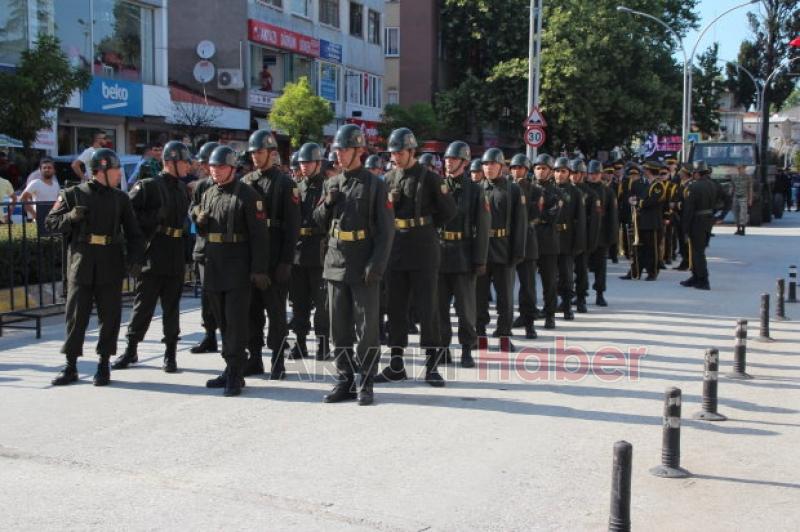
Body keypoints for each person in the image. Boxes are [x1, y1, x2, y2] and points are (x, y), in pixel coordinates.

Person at [46, 148, 144, 387]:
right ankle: (70, 366)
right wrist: (70, 217)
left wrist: (135, 260)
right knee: (76, 317)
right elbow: (49, 223)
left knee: (109, 317)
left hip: (110, 262)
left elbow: (134, 233)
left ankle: (103, 364)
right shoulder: (72, 194)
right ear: (100, 170)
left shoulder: (120, 198)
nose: (119, 173)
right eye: (115, 169)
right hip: (82, 262)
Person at [313, 124, 395, 405]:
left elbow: (386, 232)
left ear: (359, 151)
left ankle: (367, 380)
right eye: (336, 149)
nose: (338, 154)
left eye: (344, 149)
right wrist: (326, 205)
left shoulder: (376, 185)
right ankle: (344, 379)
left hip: (363, 265)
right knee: (340, 328)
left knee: (367, 328)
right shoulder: (331, 183)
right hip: (336, 263)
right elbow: (318, 223)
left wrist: (377, 265)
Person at [376, 127, 456, 385]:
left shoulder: (430, 178)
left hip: (423, 248)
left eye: (400, 152)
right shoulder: (387, 179)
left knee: (427, 308)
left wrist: (426, 226)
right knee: (396, 309)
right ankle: (396, 363)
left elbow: (449, 211)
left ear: (412, 151)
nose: (395, 157)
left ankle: (432, 364)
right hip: (396, 249)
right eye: (393, 153)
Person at [191, 145, 270, 396]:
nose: (215, 171)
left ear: (233, 168)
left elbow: (259, 236)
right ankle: (229, 366)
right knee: (222, 321)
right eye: (213, 167)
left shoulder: (248, 195)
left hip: (237, 265)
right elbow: (203, 232)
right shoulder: (209, 193)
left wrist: (259, 269)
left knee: (236, 321)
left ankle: (236, 373)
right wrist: (199, 222)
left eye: (221, 167)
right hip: (213, 264)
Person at [112, 141, 193, 373]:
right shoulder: (148, 186)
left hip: (175, 253)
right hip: (153, 253)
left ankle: (170, 354)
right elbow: (128, 218)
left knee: (171, 307)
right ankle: (131, 349)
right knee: (143, 305)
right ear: (169, 162)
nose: (188, 166)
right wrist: (154, 218)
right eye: (184, 162)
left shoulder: (180, 188)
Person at [241, 130, 301, 379]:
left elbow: (293, 225)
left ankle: (278, 361)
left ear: (271, 153)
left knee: (275, 313)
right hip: (252, 258)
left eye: (260, 152)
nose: (256, 157)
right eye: (253, 152)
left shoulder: (286, 184)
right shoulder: (245, 182)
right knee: (251, 312)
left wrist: (287, 261)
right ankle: (254, 359)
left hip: (276, 256)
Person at [437, 141, 490, 367]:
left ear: (465, 162)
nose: (448, 162)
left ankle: (467, 348)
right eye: (447, 158)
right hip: (439, 254)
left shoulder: (475, 190)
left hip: (463, 254)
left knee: (465, 308)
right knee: (438, 307)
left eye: (453, 158)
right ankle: (442, 348)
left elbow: (483, 226)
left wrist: (480, 259)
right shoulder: (437, 186)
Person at [475, 148, 526, 352]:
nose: (488, 168)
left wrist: (517, 251)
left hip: (504, 248)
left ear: (501, 166)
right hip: (481, 249)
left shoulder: (513, 190)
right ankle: (480, 335)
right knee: (479, 296)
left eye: (492, 164)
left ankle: (504, 335)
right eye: (485, 165)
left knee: (505, 297)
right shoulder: (477, 188)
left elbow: (520, 224)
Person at [289, 142, 330, 361]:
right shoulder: (296, 187)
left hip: (319, 251)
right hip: (298, 252)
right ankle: (300, 342)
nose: (303, 166)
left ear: (318, 163)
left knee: (322, 304)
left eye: (308, 162)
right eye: (302, 163)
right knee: (299, 303)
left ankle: (323, 344)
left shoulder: (328, 186)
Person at [188, 141, 221, 354]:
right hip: (204, 247)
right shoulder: (201, 186)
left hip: (227, 251)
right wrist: (196, 214)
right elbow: (192, 208)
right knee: (207, 295)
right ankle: (209, 335)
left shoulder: (234, 185)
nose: (202, 167)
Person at [509, 153, 541, 338]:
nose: (516, 171)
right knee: (506, 288)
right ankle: (506, 323)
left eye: (520, 168)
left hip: (528, 243)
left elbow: (536, 215)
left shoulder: (535, 191)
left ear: (526, 170)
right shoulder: (506, 188)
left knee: (528, 287)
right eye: (513, 168)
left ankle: (529, 322)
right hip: (508, 242)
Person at [532, 154, 562, 330]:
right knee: (527, 281)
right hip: (529, 239)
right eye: (537, 168)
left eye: (544, 168)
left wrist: (534, 216)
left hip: (548, 241)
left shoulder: (556, 192)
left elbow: (552, 215)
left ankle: (550, 314)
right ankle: (527, 313)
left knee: (549, 281)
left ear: (550, 171)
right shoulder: (527, 189)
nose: (540, 171)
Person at [554, 157, 586, 320]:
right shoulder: (547, 189)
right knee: (550, 276)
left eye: (563, 171)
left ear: (569, 173)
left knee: (566, 276)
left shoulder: (575, 193)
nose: (559, 174)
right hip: (549, 239)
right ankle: (550, 306)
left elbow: (580, 221)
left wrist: (578, 243)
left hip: (567, 239)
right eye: (557, 171)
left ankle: (567, 306)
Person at [680, 160, 719, 290]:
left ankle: (703, 279)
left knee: (697, 252)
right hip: (708, 220)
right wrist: (718, 215)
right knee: (698, 250)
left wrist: (685, 228)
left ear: (697, 174)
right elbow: (725, 200)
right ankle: (696, 276)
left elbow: (689, 210)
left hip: (697, 221)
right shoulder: (713, 185)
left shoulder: (693, 187)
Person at [585, 160, 618, 306]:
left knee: (600, 267)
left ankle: (600, 293)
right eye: (591, 173)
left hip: (601, 234)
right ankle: (580, 293)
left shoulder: (608, 191)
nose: (593, 176)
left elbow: (613, 215)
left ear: (601, 174)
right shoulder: (582, 189)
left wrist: (612, 237)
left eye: (596, 173)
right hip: (584, 234)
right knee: (580, 267)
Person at [570, 159, 597, 314]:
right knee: (564, 272)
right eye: (571, 173)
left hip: (582, 237)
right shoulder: (563, 190)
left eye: (576, 173)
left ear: (582, 174)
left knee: (581, 270)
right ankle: (567, 297)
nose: (573, 176)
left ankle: (581, 298)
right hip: (566, 236)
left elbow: (594, 221)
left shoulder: (590, 193)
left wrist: (590, 242)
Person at [18, 158, 61, 231]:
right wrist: (34, 215)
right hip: (39, 222)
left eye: (49, 168)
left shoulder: (56, 185)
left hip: (53, 220)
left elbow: (58, 201)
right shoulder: (35, 183)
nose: (47, 169)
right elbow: (22, 198)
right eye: (44, 168)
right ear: (40, 170)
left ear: (54, 171)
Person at [730, 163, 752, 235]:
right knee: (736, 213)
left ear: (744, 169)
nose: (739, 170)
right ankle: (738, 228)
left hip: (744, 197)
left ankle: (743, 229)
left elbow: (750, 189)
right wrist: (730, 195)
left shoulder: (748, 177)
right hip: (736, 197)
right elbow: (732, 187)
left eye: (741, 168)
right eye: (738, 168)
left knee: (743, 213)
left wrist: (750, 199)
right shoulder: (734, 177)